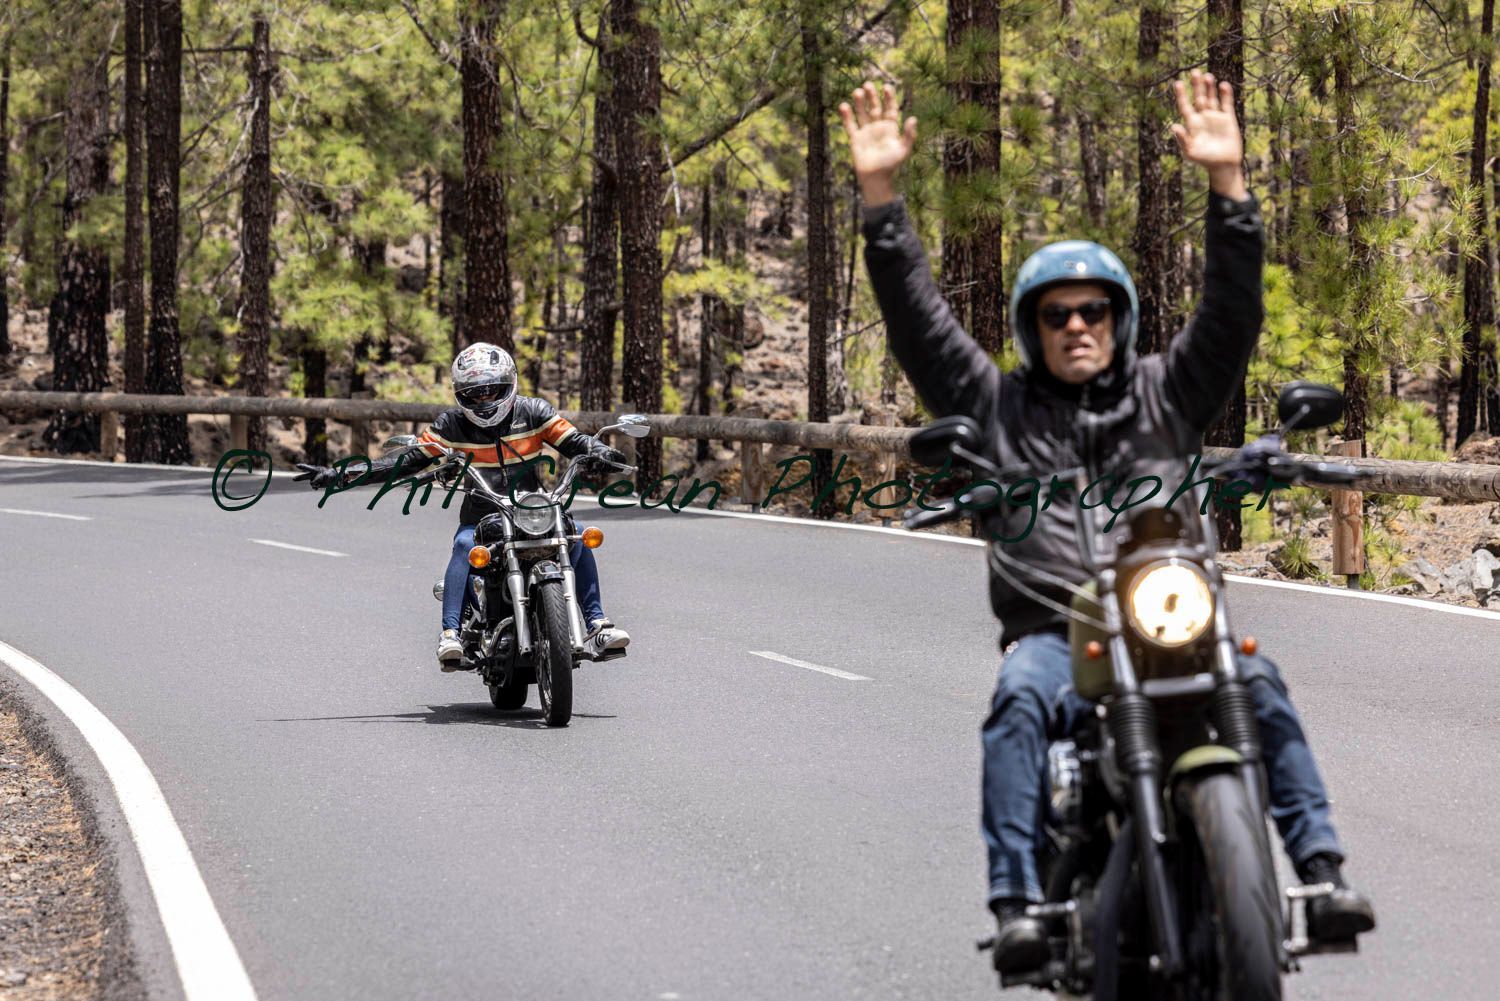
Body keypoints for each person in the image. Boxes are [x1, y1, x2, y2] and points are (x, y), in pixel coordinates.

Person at [838, 71, 1375, 974]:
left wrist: (1229, 186)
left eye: (1094, 308)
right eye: (1058, 313)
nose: (1077, 324)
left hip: (1170, 613)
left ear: (1118, 319)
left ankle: (1320, 875)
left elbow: (1232, 314)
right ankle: (1020, 904)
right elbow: (919, 326)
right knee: (1016, 705)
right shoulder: (996, 406)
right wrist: (882, 198)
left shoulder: (1170, 393)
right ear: (1032, 326)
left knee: (1261, 682)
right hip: (1057, 629)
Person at [294, 342, 632, 667]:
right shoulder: (450, 425)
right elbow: (407, 462)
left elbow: (573, 440)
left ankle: (597, 625)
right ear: (461, 394)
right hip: (483, 512)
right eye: (476, 392)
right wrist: (341, 474)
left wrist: (599, 452)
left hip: (532, 510)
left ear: (509, 384)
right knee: (463, 544)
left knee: (577, 536)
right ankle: (451, 634)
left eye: (492, 389)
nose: (484, 398)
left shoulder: (534, 411)